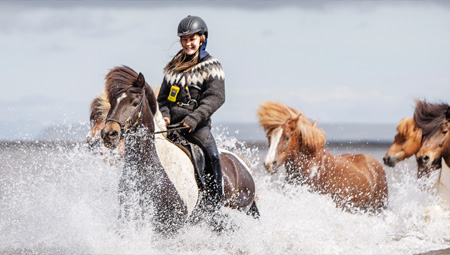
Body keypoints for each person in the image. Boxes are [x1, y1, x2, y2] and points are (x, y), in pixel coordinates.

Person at [157, 15, 225, 213]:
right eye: (184, 40)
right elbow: (162, 99)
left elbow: (215, 98)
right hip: (170, 127)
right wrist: (165, 115)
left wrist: (193, 119)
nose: (188, 43)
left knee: (212, 156)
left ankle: (215, 206)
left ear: (202, 38)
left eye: (192, 39)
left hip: (197, 127)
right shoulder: (172, 68)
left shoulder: (212, 66)